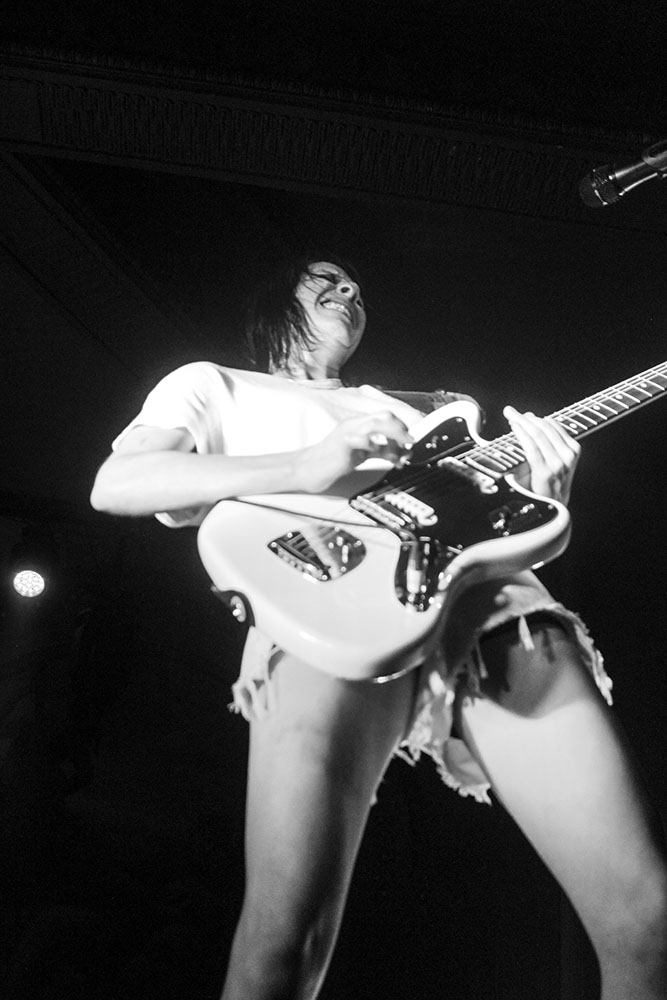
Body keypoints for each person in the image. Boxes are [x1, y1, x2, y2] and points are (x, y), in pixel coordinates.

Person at [90, 258, 667, 1000]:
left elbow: (483, 515)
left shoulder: (424, 408)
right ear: (274, 299)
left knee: (648, 921)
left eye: (356, 288)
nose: (347, 291)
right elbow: (120, 483)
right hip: (324, 598)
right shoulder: (213, 383)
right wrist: (308, 463)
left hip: (493, 603)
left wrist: (539, 498)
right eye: (321, 280)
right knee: (284, 945)